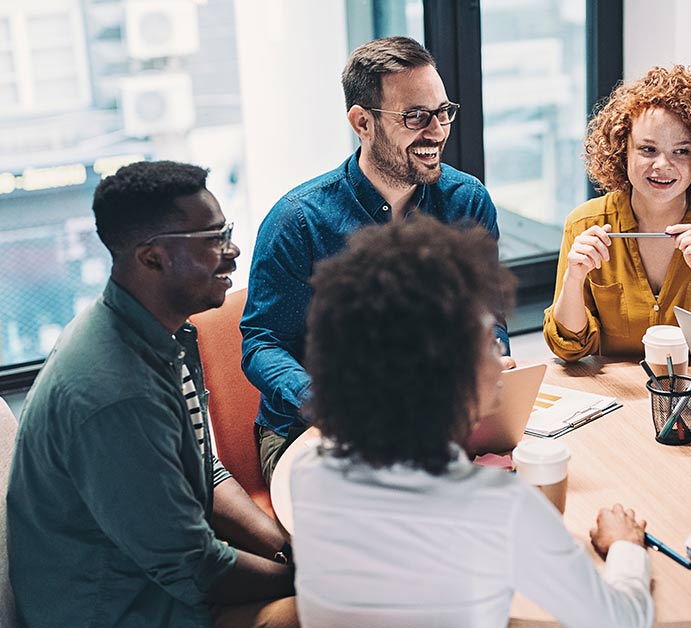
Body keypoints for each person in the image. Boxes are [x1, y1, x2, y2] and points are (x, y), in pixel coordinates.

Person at [289, 215, 654, 627]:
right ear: (441, 368)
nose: (502, 358)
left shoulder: (309, 471)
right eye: (486, 340)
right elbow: (621, 620)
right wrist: (625, 547)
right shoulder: (498, 506)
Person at [6, 161, 298, 628]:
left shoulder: (159, 332)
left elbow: (203, 469)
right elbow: (196, 569)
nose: (234, 250)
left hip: (163, 584)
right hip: (123, 611)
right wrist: (308, 579)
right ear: (152, 257)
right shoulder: (115, 393)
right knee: (352, 609)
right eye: (213, 239)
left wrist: (284, 547)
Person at [241, 36, 512, 485]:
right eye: (416, 117)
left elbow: (489, 315)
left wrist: (492, 354)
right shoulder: (299, 221)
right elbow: (261, 343)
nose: (438, 131)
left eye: (443, 112)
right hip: (310, 430)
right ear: (362, 122)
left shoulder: (467, 201)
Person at [544, 65, 691, 361]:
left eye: (682, 151)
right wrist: (574, 278)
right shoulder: (585, 224)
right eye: (648, 149)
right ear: (623, 150)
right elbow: (569, 347)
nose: (662, 165)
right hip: (616, 398)